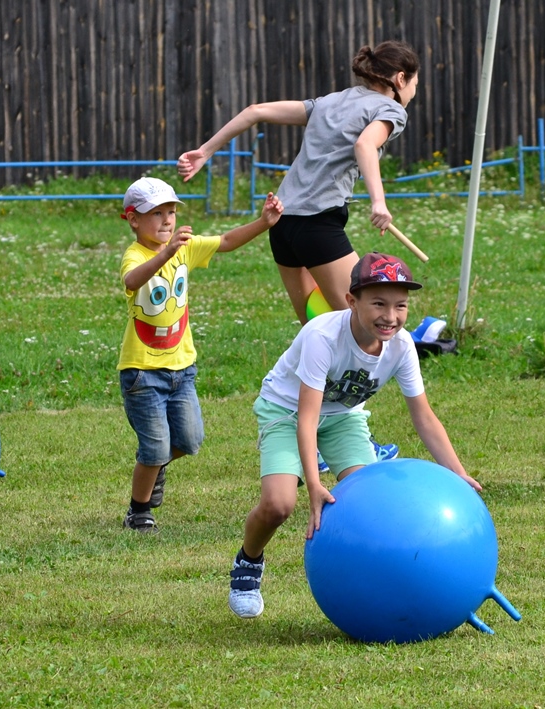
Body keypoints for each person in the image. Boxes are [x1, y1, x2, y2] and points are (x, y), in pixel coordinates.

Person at [177, 40, 421, 464]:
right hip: (319, 227)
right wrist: (378, 201)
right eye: (415, 81)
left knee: (318, 325)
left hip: (283, 227)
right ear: (400, 79)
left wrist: (206, 151)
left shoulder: (329, 101)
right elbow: (365, 147)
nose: (415, 89)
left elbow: (254, 111)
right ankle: (350, 441)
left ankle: (314, 436)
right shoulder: (391, 110)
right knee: (360, 326)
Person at [226, 252, 482, 618]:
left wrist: (457, 473)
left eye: (400, 306)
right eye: (378, 303)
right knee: (279, 504)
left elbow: (423, 416)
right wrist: (313, 484)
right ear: (351, 301)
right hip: (287, 411)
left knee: (368, 502)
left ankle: (374, 581)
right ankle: (248, 563)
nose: (390, 317)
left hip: (344, 417)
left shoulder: (402, 346)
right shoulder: (322, 336)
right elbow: (307, 417)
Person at [118, 176, 284, 532]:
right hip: (142, 372)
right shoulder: (136, 255)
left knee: (189, 441)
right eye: (156, 213)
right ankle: (139, 509)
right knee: (156, 446)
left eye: (171, 212)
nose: (166, 220)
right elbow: (132, 281)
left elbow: (225, 241)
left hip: (182, 369)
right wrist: (165, 254)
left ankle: (154, 464)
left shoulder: (187, 248)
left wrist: (263, 223)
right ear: (133, 219)